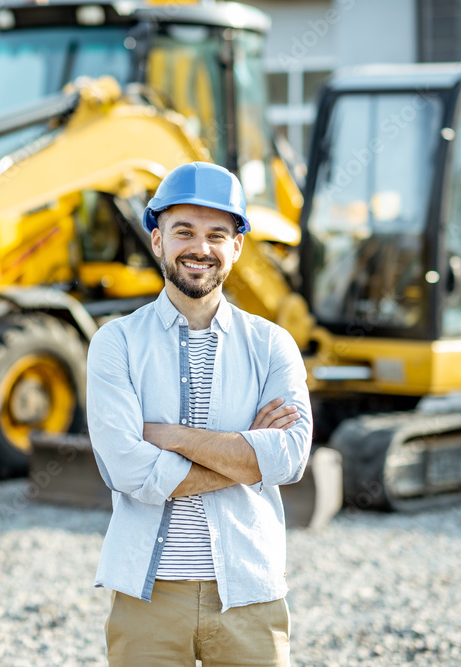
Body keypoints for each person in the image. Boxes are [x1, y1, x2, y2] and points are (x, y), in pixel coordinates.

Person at [86, 161, 312, 666]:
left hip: (249, 590)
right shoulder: (115, 344)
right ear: (157, 240)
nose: (200, 248)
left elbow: (289, 457)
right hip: (148, 596)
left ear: (236, 246)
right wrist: (244, 451)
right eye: (183, 231)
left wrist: (168, 436)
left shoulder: (273, 345)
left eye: (217, 234)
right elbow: (127, 469)